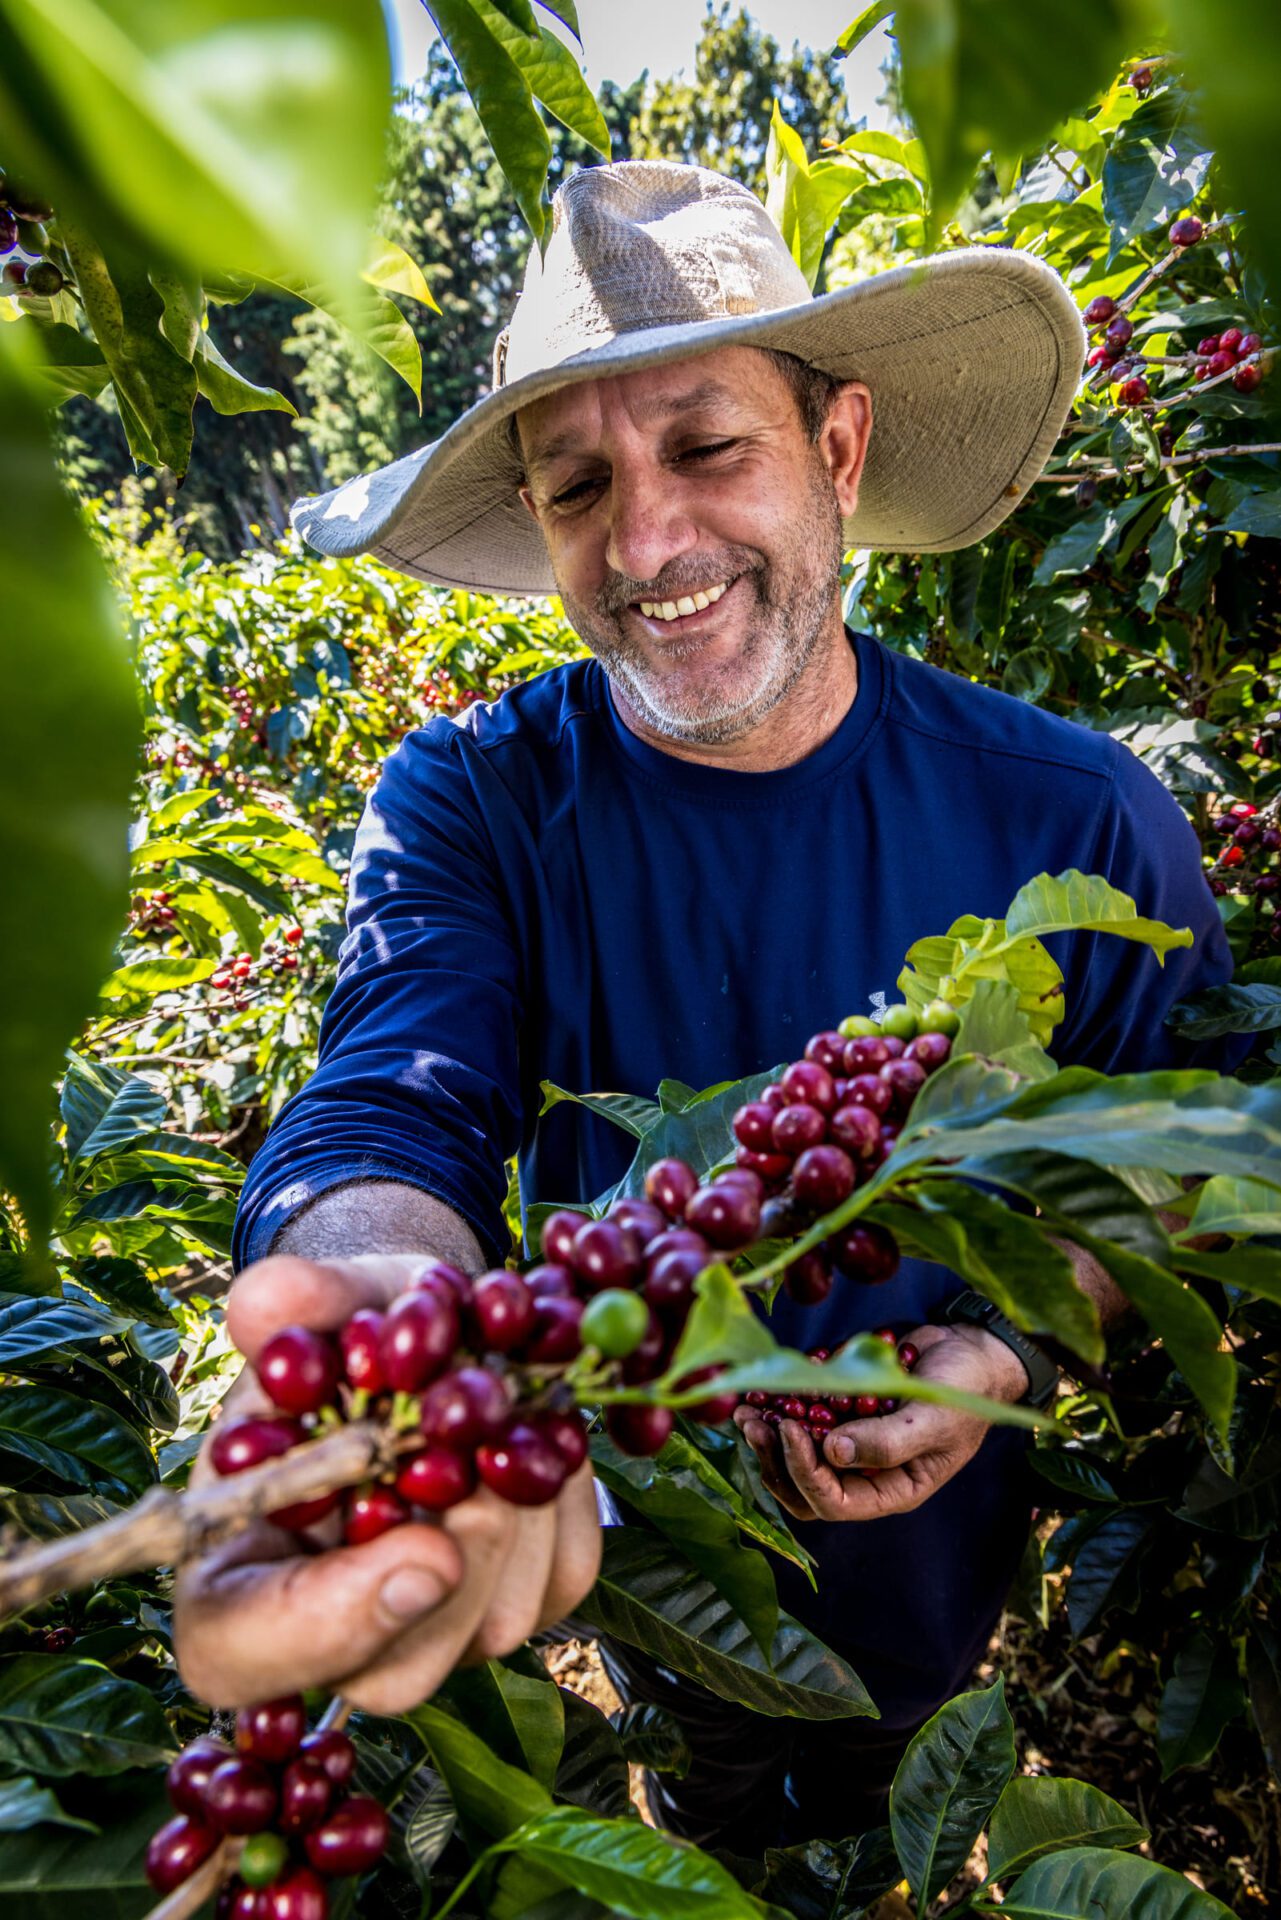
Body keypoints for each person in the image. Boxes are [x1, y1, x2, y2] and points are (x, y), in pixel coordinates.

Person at [175, 162, 1236, 1844]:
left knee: (883, 1820)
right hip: (649, 1575)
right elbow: (394, 1094)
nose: (645, 540)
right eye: (577, 483)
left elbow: (1174, 1161)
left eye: (707, 447)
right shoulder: (474, 799)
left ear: (838, 449)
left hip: (936, 1579)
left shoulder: (1079, 820)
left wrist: (1012, 1341)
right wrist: (378, 1304)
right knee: (705, 1822)